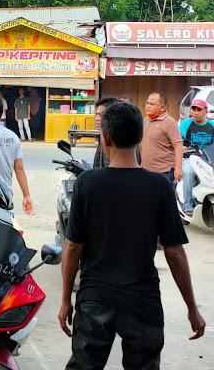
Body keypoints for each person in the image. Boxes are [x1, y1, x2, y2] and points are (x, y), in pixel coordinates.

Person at [58, 102, 205, 369]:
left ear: (106, 137)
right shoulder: (159, 185)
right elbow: (174, 252)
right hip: (142, 301)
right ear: (140, 138)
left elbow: (72, 247)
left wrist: (66, 300)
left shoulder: (87, 183)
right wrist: (192, 308)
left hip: (95, 299)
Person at [179, 99, 214, 217]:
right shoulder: (186, 124)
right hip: (190, 158)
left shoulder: (212, 125)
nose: (196, 112)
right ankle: (188, 204)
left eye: (199, 109)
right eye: (194, 109)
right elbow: (178, 141)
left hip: (207, 160)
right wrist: (182, 147)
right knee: (189, 172)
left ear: (206, 111)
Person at [140, 91, 183, 183]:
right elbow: (142, 144)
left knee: (163, 197)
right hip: (147, 171)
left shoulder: (170, 122)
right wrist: (142, 163)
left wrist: (178, 168)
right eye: (147, 103)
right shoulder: (145, 121)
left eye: (152, 104)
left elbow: (178, 146)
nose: (148, 106)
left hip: (164, 172)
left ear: (162, 107)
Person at [92, 96, 119, 168]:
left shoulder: (115, 140)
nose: (96, 119)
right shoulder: (104, 136)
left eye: (101, 115)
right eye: (97, 114)